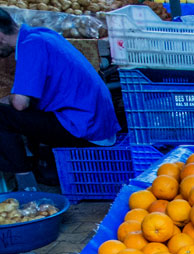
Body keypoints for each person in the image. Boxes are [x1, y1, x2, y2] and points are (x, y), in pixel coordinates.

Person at [0, 8, 119, 190]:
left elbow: (19, 104)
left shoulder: (31, 45)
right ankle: (40, 169)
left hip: (85, 128)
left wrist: (8, 101)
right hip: (95, 123)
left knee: (2, 116)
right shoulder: (41, 34)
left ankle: (26, 184)